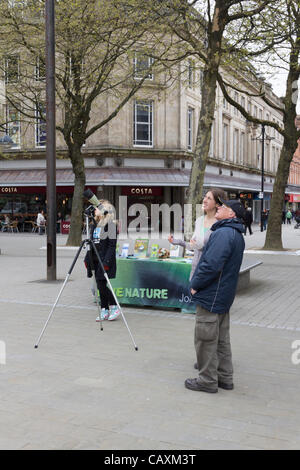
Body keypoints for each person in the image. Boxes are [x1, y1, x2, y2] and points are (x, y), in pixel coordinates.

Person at [185, 198, 245, 394]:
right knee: (221, 338)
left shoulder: (223, 233)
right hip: (223, 294)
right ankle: (225, 377)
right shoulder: (235, 233)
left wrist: (195, 285)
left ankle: (207, 380)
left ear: (232, 214)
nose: (219, 207)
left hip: (212, 294)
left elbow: (210, 265)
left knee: (205, 338)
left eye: (224, 207)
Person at [168, 188, 227, 280]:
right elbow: (194, 247)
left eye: (209, 198)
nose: (204, 200)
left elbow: (219, 252)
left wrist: (199, 246)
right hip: (195, 271)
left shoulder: (221, 224)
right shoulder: (199, 220)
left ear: (217, 204)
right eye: (205, 197)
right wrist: (178, 242)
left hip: (210, 273)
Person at [84, 200, 120, 322]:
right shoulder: (95, 224)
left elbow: (111, 245)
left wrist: (106, 262)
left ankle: (114, 306)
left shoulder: (110, 225)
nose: (95, 209)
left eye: (98, 207)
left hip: (104, 259)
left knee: (101, 284)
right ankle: (104, 309)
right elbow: (91, 242)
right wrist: (87, 258)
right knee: (100, 285)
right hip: (95, 258)